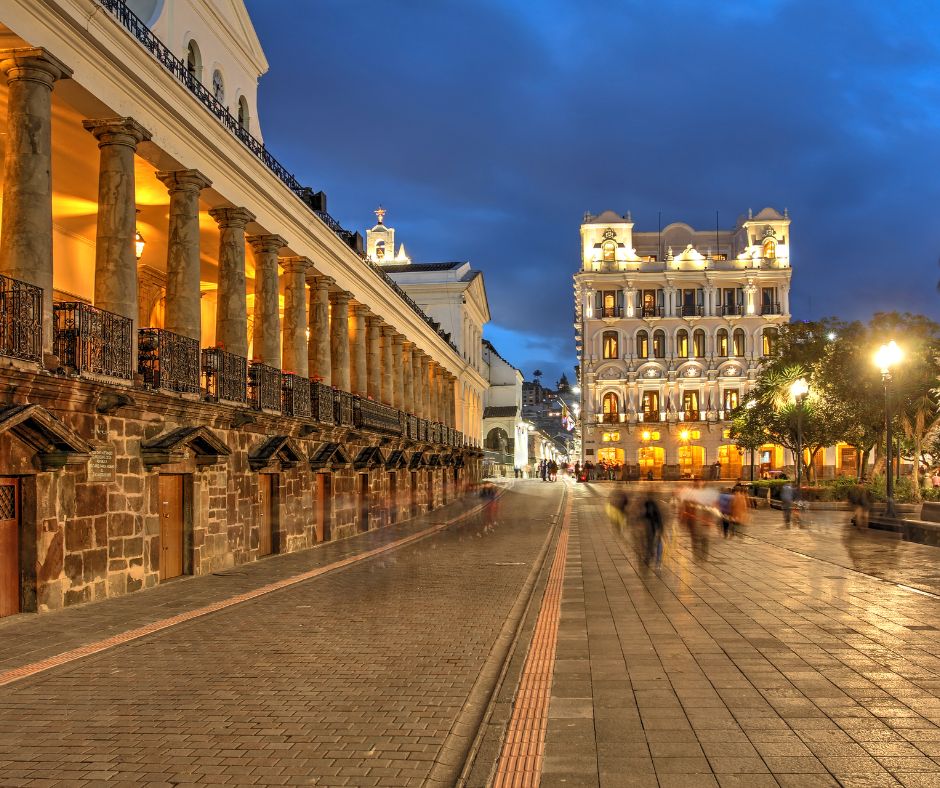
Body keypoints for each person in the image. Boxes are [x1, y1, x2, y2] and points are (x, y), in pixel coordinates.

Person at [641, 495, 664, 567]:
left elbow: (648, 515)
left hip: (655, 526)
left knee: (655, 542)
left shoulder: (649, 506)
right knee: (656, 542)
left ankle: (656, 558)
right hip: (656, 526)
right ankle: (657, 559)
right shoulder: (653, 506)